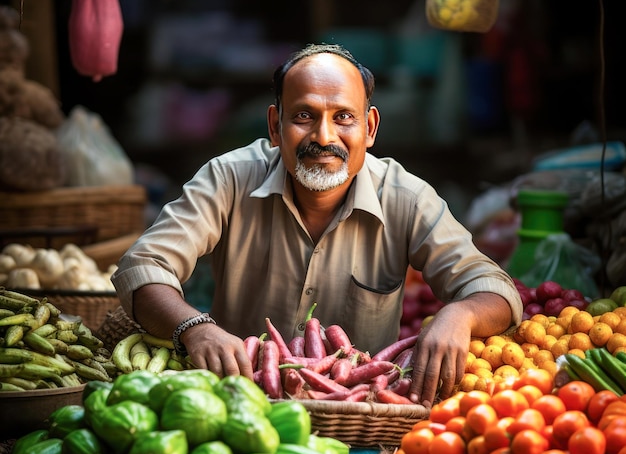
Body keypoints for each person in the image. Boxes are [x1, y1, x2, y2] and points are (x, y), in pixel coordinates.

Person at [112, 43, 522, 407]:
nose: (324, 136)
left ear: (370, 127)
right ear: (275, 126)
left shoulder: (406, 197)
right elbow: (143, 266)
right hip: (239, 406)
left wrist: (460, 315)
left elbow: (495, 289)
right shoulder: (228, 179)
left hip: (361, 411)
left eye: (344, 116)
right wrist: (194, 328)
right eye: (304, 115)